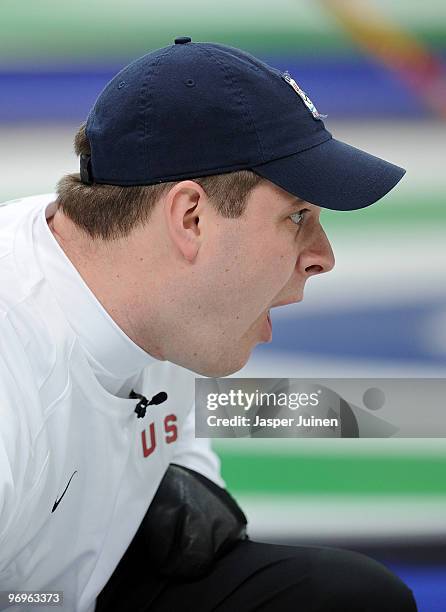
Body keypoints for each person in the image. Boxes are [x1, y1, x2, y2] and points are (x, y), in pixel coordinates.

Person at [0, 38, 417, 611]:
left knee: (346, 599)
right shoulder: (13, 370)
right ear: (191, 217)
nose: (323, 256)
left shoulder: (146, 290)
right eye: (298, 215)